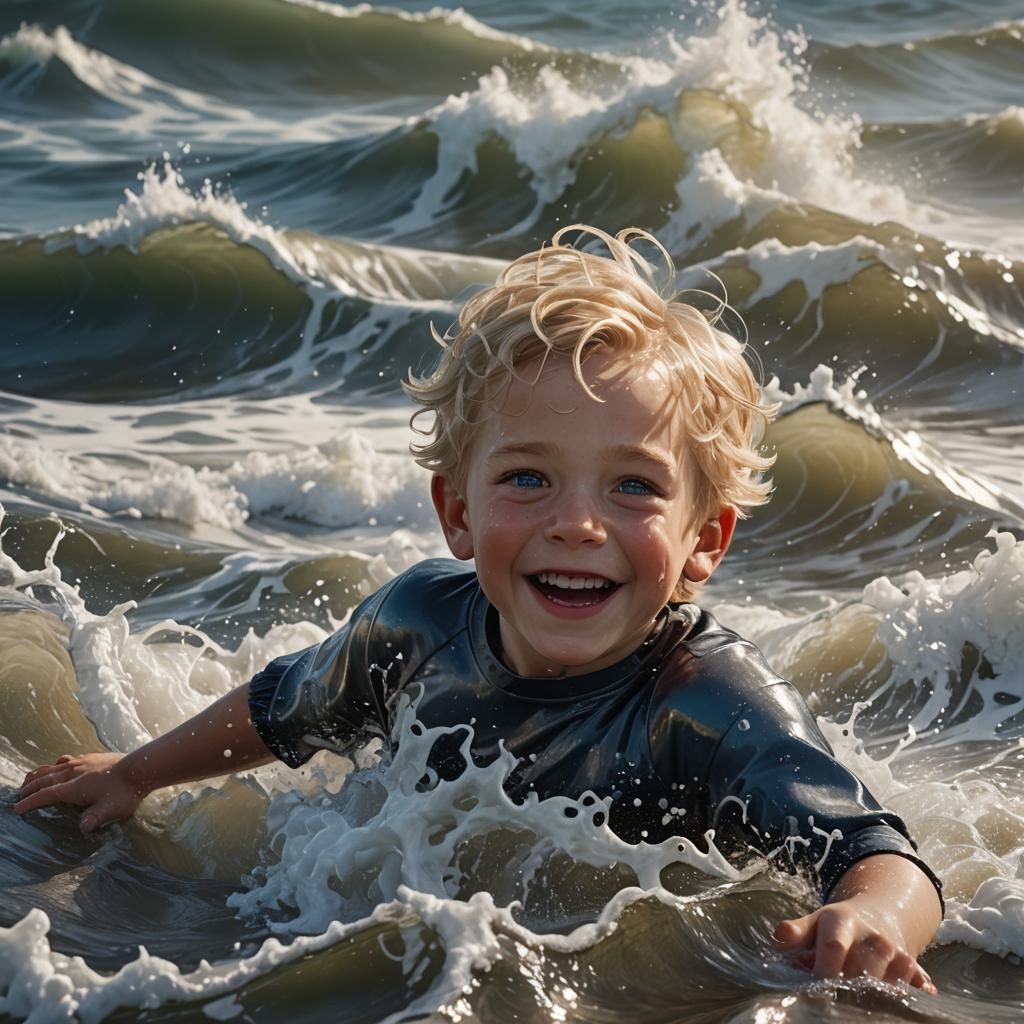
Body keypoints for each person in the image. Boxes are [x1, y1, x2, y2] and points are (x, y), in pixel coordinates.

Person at [15, 225, 942, 991]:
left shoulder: (709, 703)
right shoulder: (420, 623)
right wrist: (137, 774)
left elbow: (878, 849)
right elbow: (285, 705)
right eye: (528, 478)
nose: (576, 524)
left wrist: (867, 915)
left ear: (705, 540)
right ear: (457, 512)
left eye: (632, 487)